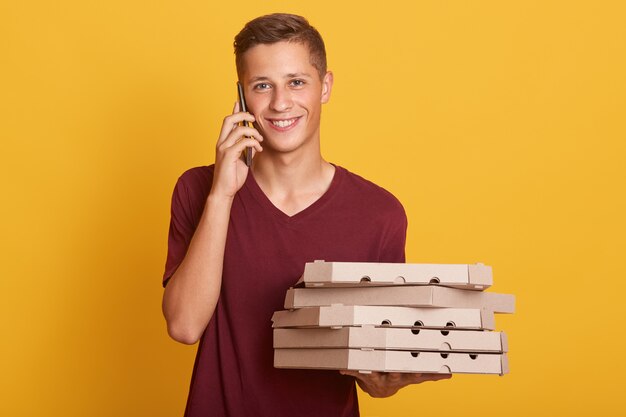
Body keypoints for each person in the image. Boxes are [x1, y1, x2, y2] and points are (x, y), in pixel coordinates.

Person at [161, 13, 451, 417]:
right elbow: (184, 326)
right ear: (242, 97)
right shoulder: (198, 190)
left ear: (325, 87)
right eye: (263, 86)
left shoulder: (379, 214)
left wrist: (384, 381)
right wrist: (222, 195)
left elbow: (378, 363)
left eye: (297, 82)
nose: (280, 103)